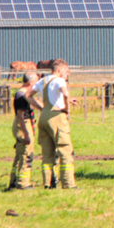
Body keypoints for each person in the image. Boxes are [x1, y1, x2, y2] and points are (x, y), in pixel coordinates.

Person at [24, 59, 78, 189]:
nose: (68, 74)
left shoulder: (43, 80)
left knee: (47, 154)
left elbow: (28, 95)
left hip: (44, 117)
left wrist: (41, 108)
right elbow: (65, 93)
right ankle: (68, 183)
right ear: (59, 70)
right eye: (66, 71)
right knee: (65, 151)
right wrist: (66, 108)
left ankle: (48, 183)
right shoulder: (59, 80)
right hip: (57, 117)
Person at [8, 72, 40, 190]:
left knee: (19, 155)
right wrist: (26, 134)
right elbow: (21, 116)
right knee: (26, 155)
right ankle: (23, 183)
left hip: (23, 124)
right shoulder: (21, 96)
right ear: (30, 83)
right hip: (23, 125)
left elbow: (37, 105)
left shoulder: (23, 94)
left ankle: (14, 181)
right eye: (36, 82)